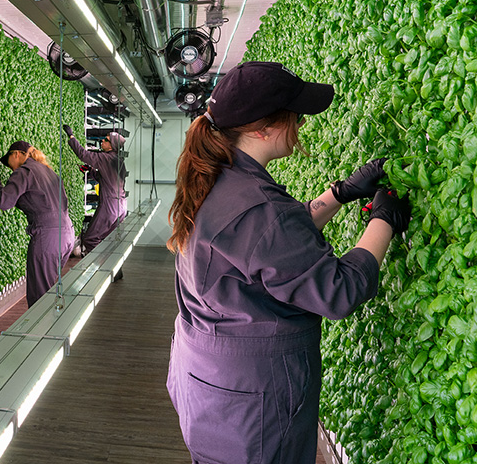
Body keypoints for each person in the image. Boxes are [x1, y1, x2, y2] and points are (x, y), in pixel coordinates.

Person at [164, 61, 411, 463]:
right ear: (262, 129)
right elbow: (338, 290)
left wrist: (340, 193)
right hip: (252, 404)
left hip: (207, 386)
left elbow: (264, 249)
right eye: (294, 114)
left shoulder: (215, 177)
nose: (299, 123)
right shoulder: (257, 207)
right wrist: (383, 219)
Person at [0, 141, 74, 307]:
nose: (11, 170)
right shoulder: (50, 172)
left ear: (16, 154)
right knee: (50, 291)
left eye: (10, 165)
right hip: (67, 234)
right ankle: (51, 330)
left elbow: (4, 201)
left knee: (40, 298)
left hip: (48, 238)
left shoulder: (24, 172)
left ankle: (42, 333)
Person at [62, 125, 127, 253]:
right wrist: (91, 171)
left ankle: (98, 270)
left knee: (90, 239)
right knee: (107, 239)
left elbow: (82, 154)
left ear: (112, 146)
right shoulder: (118, 160)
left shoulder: (105, 157)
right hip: (121, 206)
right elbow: (106, 179)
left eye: (106, 140)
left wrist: (71, 136)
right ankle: (113, 271)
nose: (102, 141)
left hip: (110, 206)